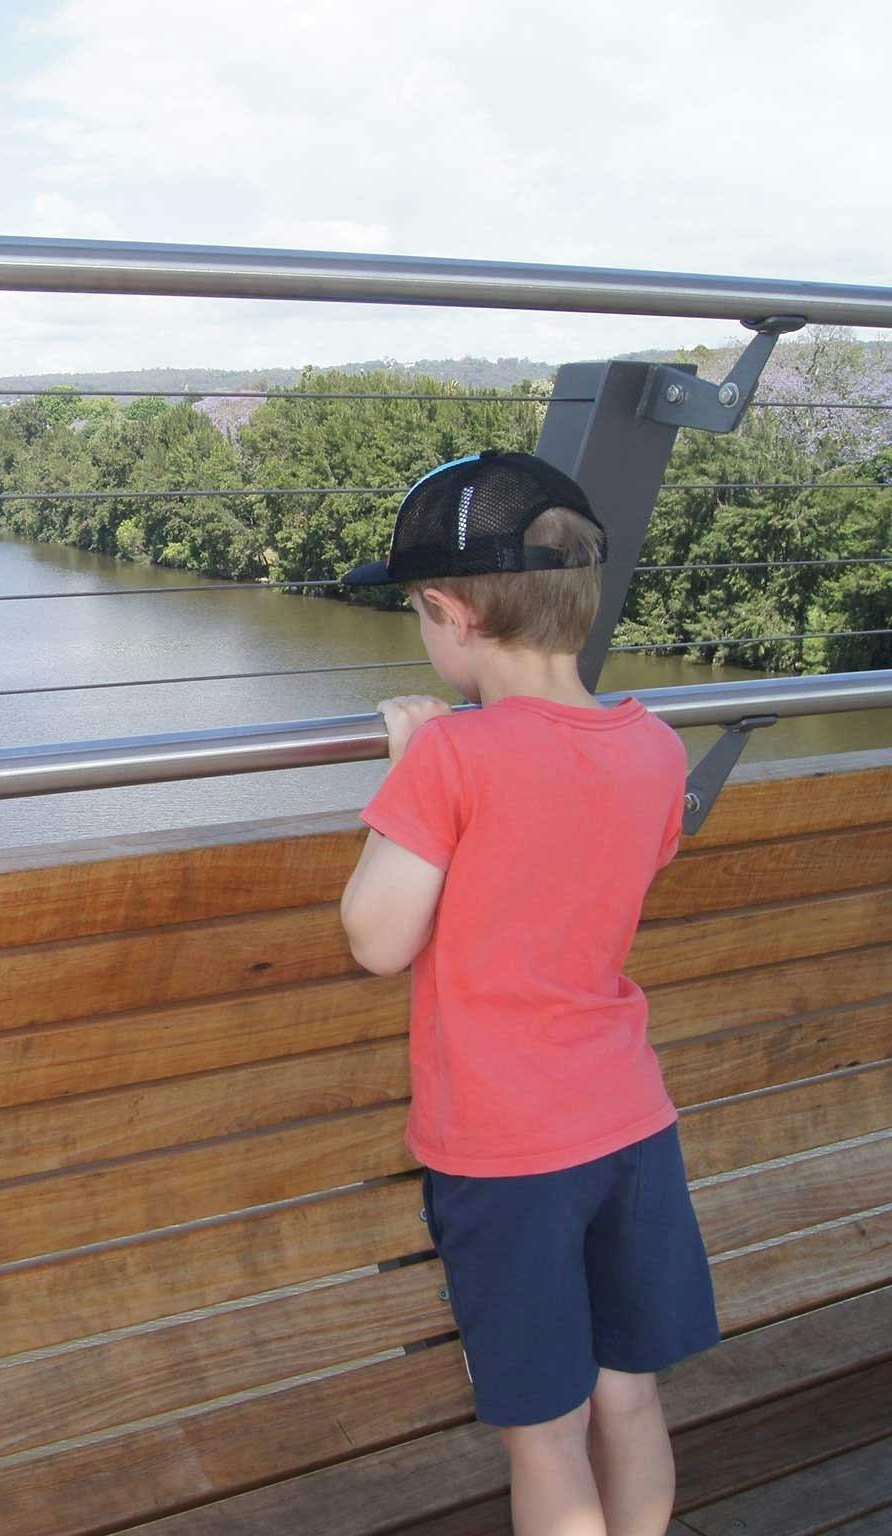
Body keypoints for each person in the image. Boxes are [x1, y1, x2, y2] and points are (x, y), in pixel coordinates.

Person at [336, 451, 718, 1536]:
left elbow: (374, 938)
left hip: (505, 1154)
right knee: (628, 1396)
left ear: (450, 614)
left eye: (415, 611)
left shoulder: (451, 757)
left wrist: (409, 768)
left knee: (542, 1430)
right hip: (629, 1125)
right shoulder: (653, 745)